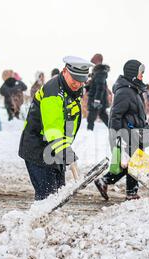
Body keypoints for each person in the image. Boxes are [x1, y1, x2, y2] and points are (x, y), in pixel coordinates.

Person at [19, 56, 94, 201]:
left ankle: (52, 222)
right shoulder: (53, 93)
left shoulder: (72, 89)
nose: (78, 84)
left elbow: (68, 119)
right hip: (39, 148)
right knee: (47, 197)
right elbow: (53, 129)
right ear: (64, 71)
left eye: (81, 80)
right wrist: (66, 151)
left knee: (58, 194)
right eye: (75, 79)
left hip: (56, 149)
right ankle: (37, 222)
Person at [94, 60, 149, 201]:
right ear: (133, 73)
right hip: (127, 135)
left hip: (135, 133)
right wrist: (116, 138)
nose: (142, 76)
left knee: (132, 164)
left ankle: (114, 185)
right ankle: (127, 191)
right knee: (132, 164)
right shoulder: (125, 91)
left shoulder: (133, 89)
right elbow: (115, 116)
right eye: (140, 73)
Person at [86, 54, 110, 131]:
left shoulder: (100, 72)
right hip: (98, 100)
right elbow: (95, 86)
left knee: (91, 119)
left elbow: (100, 87)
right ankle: (116, 131)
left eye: (93, 60)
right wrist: (88, 86)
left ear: (98, 60)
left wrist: (97, 100)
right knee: (104, 116)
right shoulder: (98, 72)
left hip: (96, 100)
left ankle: (89, 134)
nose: (92, 62)